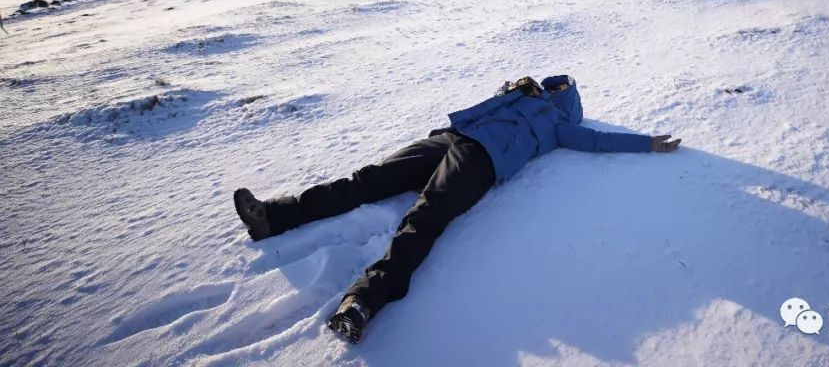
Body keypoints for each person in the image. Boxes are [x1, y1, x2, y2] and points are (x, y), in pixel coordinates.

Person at [232, 75, 681, 343]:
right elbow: (477, 110)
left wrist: (648, 144)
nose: (550, 86)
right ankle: (275, 216)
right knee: (366, 180)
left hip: (481, 161)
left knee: (425, 218)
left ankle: (363, 301)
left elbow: (600, 141)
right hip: (449, 140)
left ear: (568, 99)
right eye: (550, 83)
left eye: (559, 86)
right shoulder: (522, 97)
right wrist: (511, 91)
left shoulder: (561, 124)